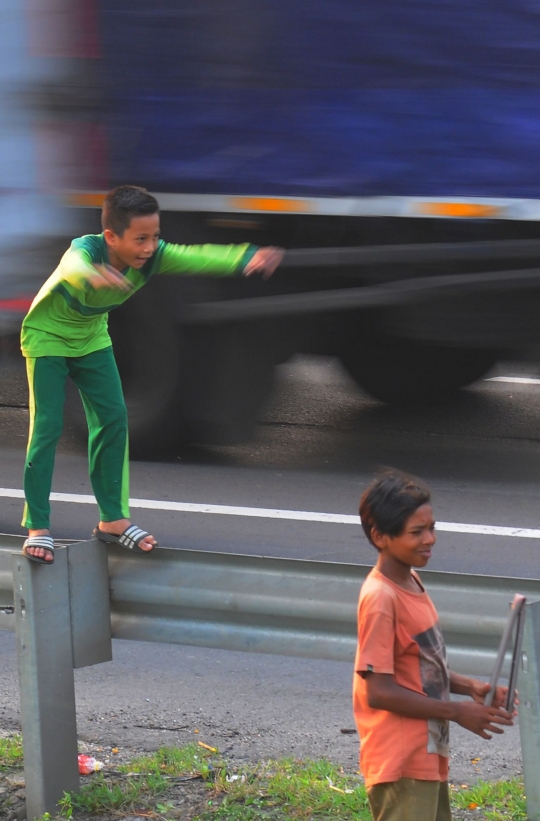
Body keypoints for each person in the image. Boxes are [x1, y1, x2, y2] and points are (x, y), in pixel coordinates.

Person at [20, 185, 284, 564]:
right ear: (111, 236)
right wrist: (94, 276)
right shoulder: (86, 249)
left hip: (91, 337)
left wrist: (244, 256)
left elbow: (195, 257)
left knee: (113, 421)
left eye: (155, 236)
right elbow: (74, 268)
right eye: (140, 238)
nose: (149, 247)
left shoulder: (154, 257)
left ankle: (113, 520)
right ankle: (38, 527)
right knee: (46, 428)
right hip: (47, 338)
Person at [354, 469, 513, 821]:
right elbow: (378, 691)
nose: (430, 539)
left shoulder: (411, 579)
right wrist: (457, 712)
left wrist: (469, 686)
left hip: (426, 752)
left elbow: (418, 663)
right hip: (400, 759)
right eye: (417, 532)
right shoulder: (381, 598)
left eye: (432, 528)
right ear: (381, 536)